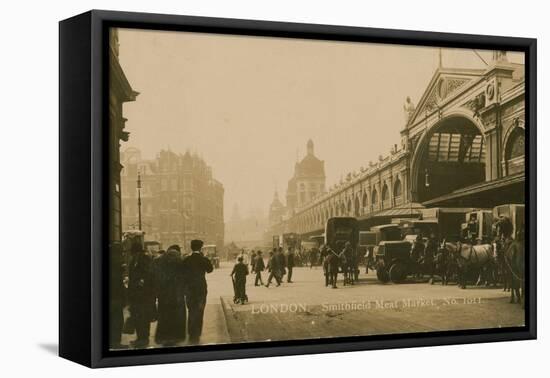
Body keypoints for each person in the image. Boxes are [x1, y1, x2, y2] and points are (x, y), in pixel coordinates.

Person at [152, 245, 186, 346]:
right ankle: (176, 337)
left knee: (163, 315)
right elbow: (185, 278)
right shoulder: (181, 261)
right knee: (177, 316)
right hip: (177, 294)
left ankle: (163, 337)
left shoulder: (158, 261)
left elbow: (154, 277)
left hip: (163, 294)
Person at [180, 239, 213, 344]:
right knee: (200, 310)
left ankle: (191, 332)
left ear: (191, 247)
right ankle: (197, 333)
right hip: (201, 289)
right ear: (200, 248)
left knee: (191, 310)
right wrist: (204, 257)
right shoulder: (203, 259)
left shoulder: (186, 260)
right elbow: (210, 269)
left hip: (189, 289)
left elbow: (182, 273)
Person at [127, 242, 155, 348]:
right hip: (136, 294)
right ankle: (140, 338)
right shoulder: (136, 259)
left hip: (142, 295)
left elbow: (148, 275)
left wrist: (140, 282)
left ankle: (143, 339)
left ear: (136, 251)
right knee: (138, 317)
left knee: (143, 317)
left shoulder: (143, 259)